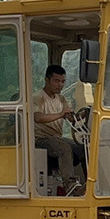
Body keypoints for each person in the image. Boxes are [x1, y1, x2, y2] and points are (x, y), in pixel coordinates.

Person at [32, 65, 86, 195]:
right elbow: (37, 117)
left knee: (83, 148)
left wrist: (80, 115)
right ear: (47, 80)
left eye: (63, 81)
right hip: (41, 139)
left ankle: (89, 183)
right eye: (56, 81)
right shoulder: (38, 98)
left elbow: (70, 118)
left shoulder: (61, 98)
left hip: (57, 137)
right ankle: (70, 185)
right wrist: (61, 114)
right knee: (64, 148)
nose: (60, 85)